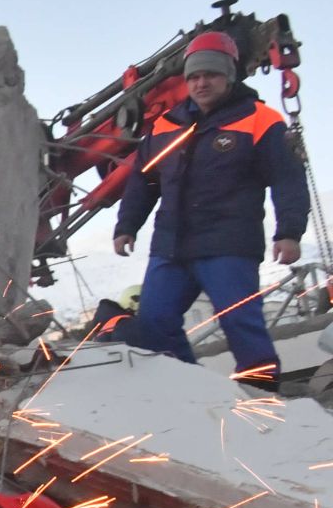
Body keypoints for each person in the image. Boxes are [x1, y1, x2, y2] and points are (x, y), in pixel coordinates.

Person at [113, 31, 309, 384]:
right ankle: (193, 389)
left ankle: (262, 394)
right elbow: (144, 180)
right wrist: (126, 225)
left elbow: (287, 179)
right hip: (170, 246)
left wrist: (289, 233)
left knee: (240, 322)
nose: (201, 83)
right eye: (194, 76)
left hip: (228, 243)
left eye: (211, 75)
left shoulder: (260, 120)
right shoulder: (165, 126)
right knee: (155, 321)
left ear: (229, 75)